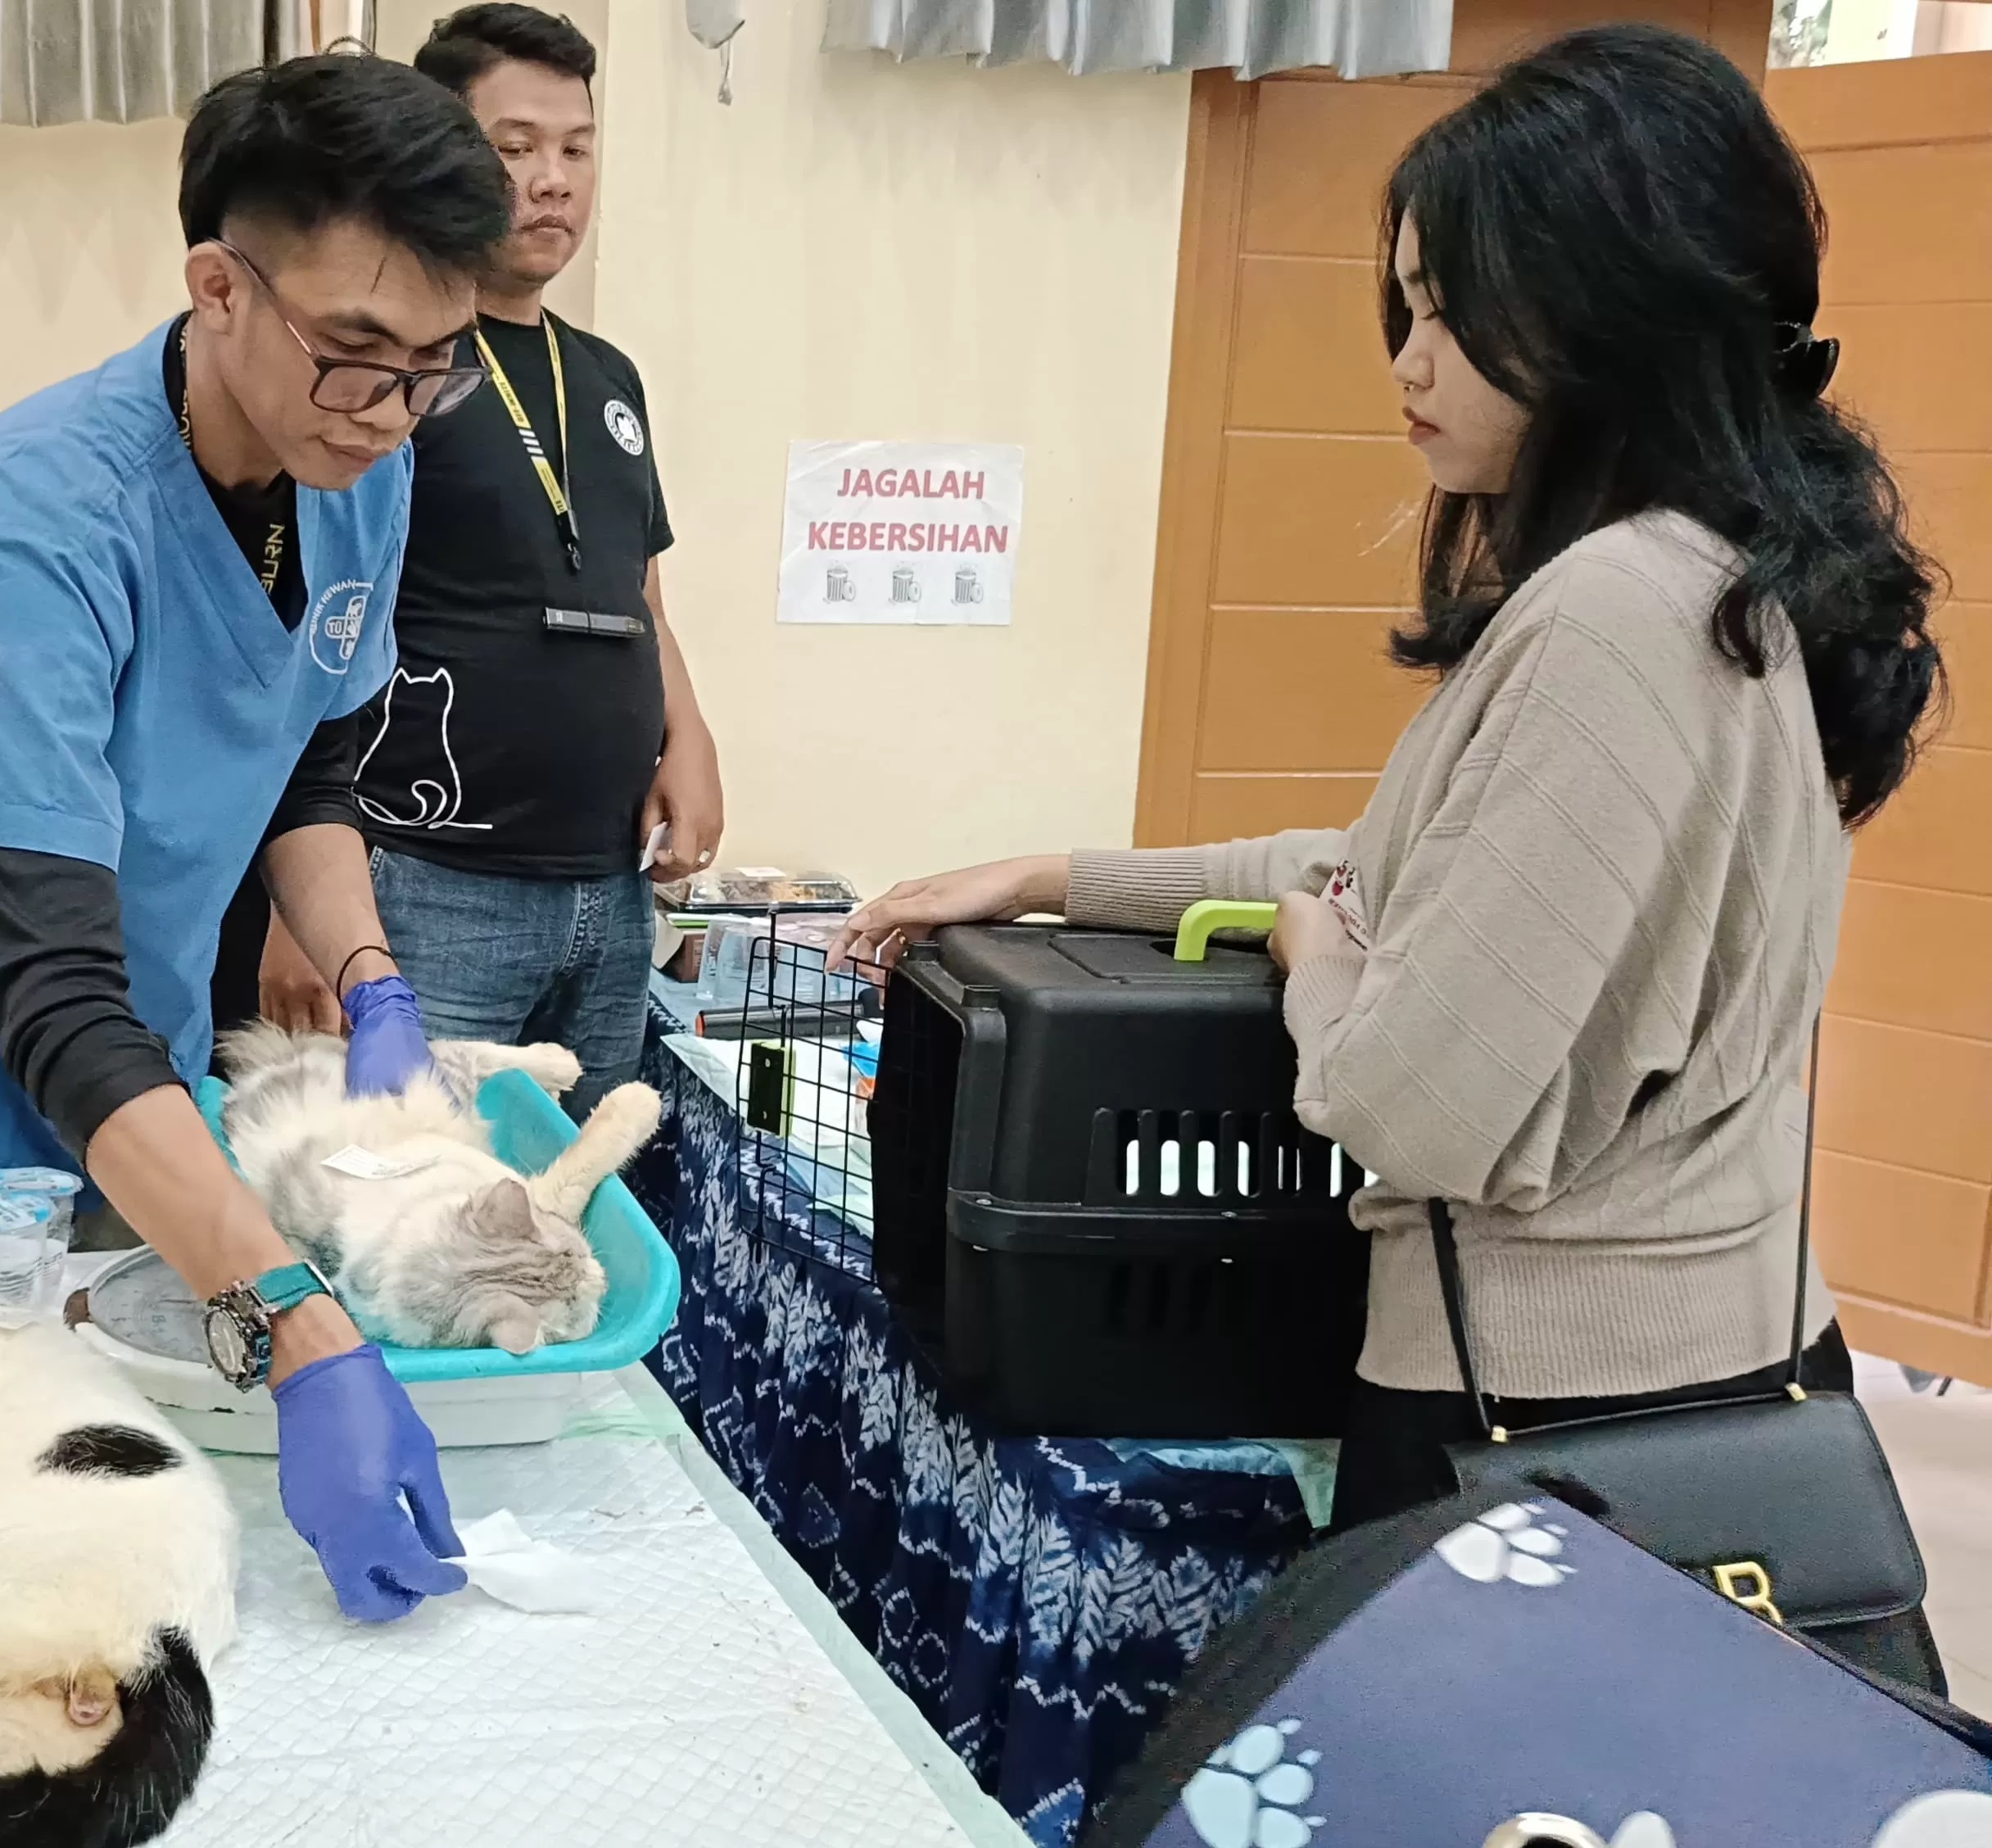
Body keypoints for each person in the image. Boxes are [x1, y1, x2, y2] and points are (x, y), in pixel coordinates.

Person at [833, 25, 1942, 1529]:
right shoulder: (1721, 581)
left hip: (1551, 1417)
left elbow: (1407, 1101)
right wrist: (1055, 880)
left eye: (1452, 310)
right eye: (1404, 307)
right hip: (1708, 1359)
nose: (1408, 361)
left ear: (1603, 308)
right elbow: (1397, 874)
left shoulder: (1619, 615)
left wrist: (1317, 958)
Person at [0, 54, 511, 1624]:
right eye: (355, 353)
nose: (392, 408)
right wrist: (308, 1334)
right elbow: (48, 997)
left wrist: (371, 979)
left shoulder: (363, 459)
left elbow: (306, 750)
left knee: (136, 1395)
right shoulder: (37, 525)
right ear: (217, 284)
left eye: (438, 362)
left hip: (125, 1018)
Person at [224, 4, 722, 1117]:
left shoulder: (607, 376)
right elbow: (305, 628)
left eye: (577, 148)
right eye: (514, 146)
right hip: (424, 885)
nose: (553, 180)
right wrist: (293, 914)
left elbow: (637, 590)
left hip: (607, 887)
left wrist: (689, 736)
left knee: (569, 1206)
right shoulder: (379, 374)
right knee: (407, 1211)